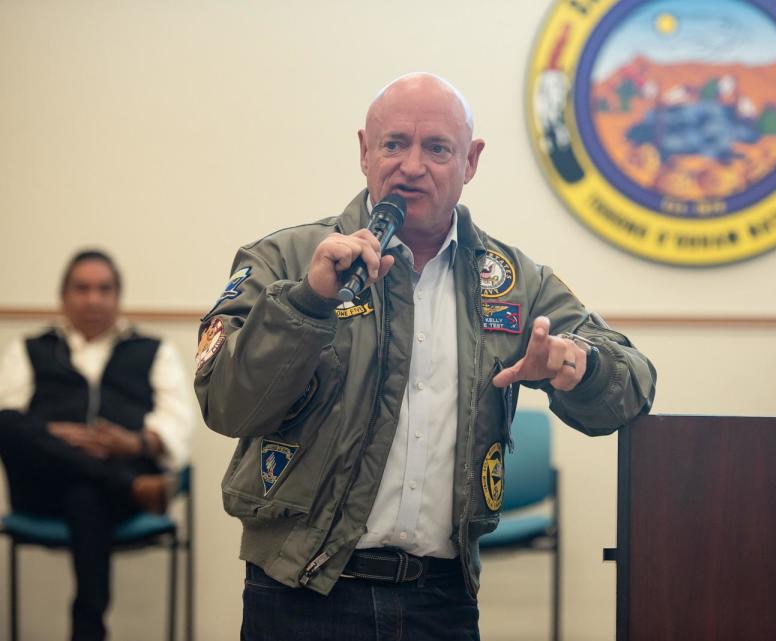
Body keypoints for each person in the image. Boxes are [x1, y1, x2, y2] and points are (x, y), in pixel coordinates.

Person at [195, 73, 656, 641]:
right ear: (365, 151)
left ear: (471, 161)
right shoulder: (286, 258)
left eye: (437, 148)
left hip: (442, 600)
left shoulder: (513, 284)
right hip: (300, 593)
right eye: (394, 144)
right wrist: (307, 303)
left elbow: (632, 384)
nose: (412, 165)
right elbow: (224, 403)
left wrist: (575, 365)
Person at [0, 250, 194, 641]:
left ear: (118, 296)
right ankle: (126, 485)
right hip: (45, 489)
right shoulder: (31, 348)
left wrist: (134, 441)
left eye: (104, 289)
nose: (93, 299)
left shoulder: (153, 350)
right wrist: (53, 436)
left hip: (111, 494)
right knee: (5, 421)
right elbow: (10, 417)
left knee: (86, 494)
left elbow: (178, 424)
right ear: (63, 296)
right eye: (82, 288)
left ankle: (87, 632)